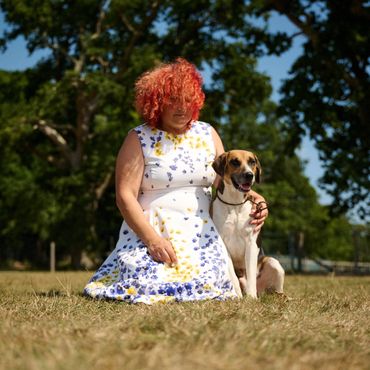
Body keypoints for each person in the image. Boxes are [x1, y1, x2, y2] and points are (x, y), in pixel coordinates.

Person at [83, 58, 268, 304]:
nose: (182, 108)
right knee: (147, 284)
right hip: (153, 230)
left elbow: (224, 182)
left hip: (203, 233)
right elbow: (124, 196)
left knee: (208, 284)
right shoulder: (138, 138)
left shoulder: (207, 132)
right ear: (156, 103)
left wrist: (256, 198)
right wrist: (152, 240)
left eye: (187, 100)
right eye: (173, 101)